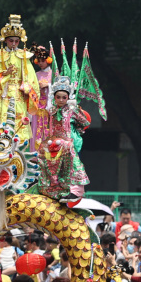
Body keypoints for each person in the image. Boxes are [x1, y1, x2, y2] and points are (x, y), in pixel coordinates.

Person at [0, 15, 40, 139]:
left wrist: (27, 88)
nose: (14, 43)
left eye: (16, 41)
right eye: (11, 40)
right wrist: (4, 74)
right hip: (2, 94)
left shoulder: (24, 56)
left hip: (18, 94)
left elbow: (31, 77)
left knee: (18, 125)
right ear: (5, 40)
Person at [36, 76, 90, 204]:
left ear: (68, 98)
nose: (61, 100)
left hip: (66, 144)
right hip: (53, 144)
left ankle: (75, 192)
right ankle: (51, 191)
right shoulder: (51, 111)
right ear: (54, 98)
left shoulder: (72, 110)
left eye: (64, 97)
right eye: (58, 97)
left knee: (72, 166)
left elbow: (85, 122)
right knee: (46, 162)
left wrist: (76, 126)